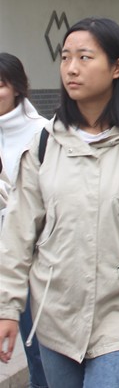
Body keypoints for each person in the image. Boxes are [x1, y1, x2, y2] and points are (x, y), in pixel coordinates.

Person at [0, 18, 119, 388]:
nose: (71, 68)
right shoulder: (45, 144)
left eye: (85, 57)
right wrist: (7, 307)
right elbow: (19, 233)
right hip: (56, 316)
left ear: (117, 67)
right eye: (65, 57)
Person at [0, 53, 49, 388]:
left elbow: (42, 201)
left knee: (38, 353)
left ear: (17, 87)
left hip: (28, 260)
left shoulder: (42, 132)